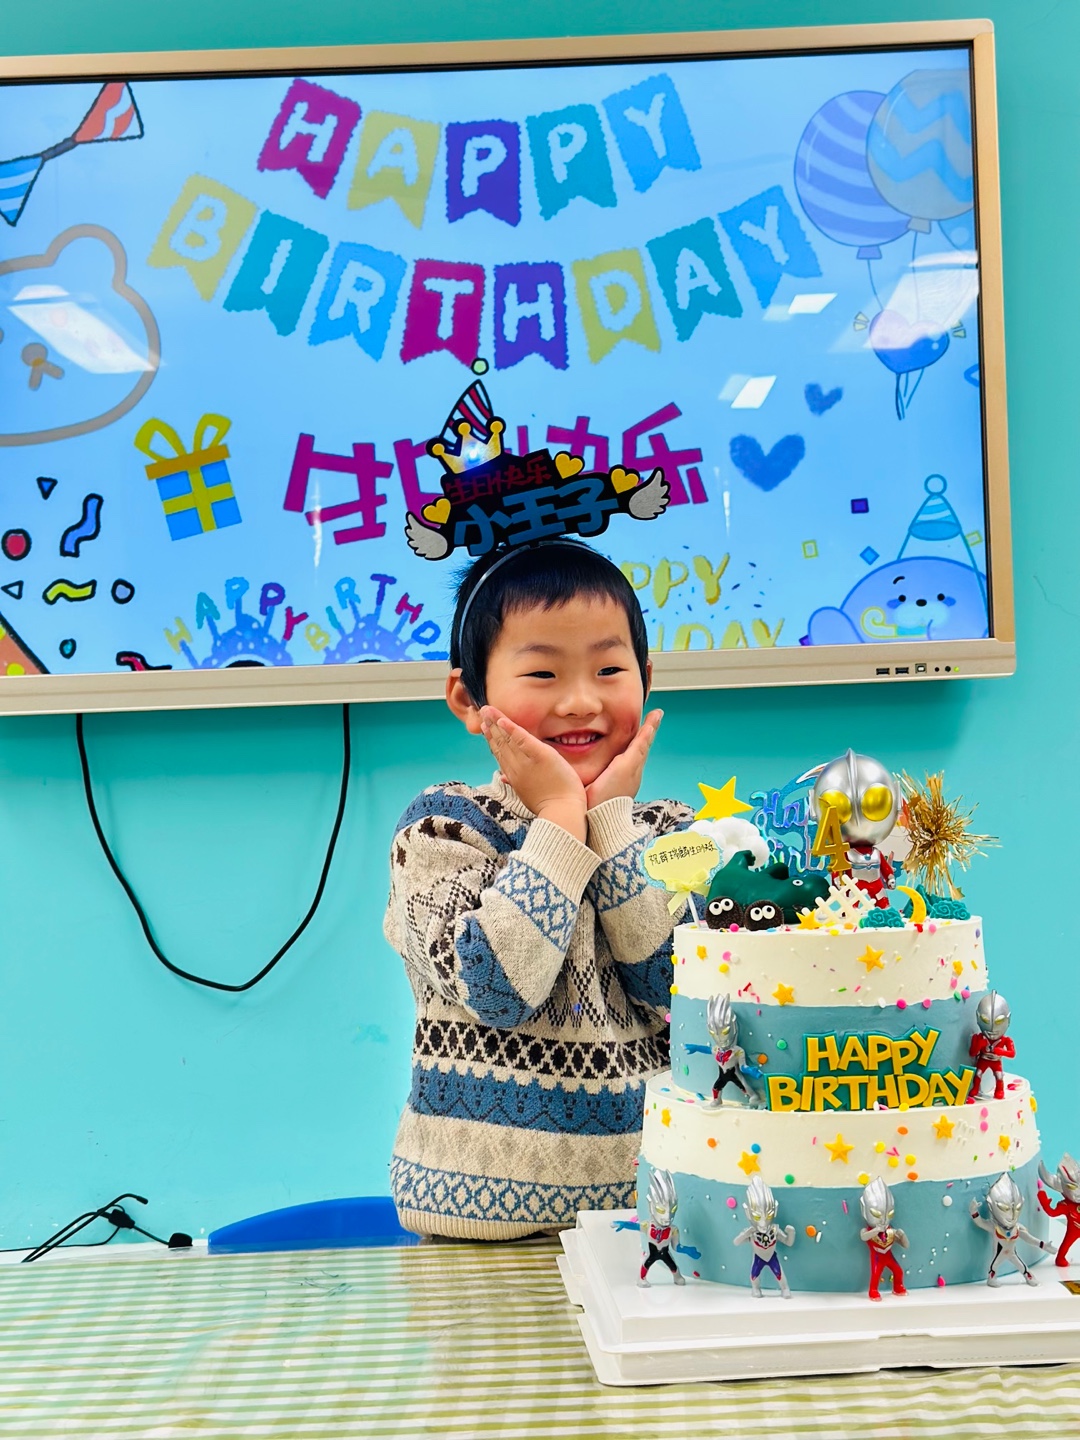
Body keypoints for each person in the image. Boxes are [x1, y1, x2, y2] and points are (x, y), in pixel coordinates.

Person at [384, 540, 695, 1239]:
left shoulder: (671, 833)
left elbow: (676, 987)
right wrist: (558, 819)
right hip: (473, 1229)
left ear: (646, 678)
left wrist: (610, 822)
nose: (581, 700)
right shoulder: (442, 831)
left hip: (658, 1221)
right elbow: (497, 989)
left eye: (609, 669)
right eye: (543, 672)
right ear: (469, 698)